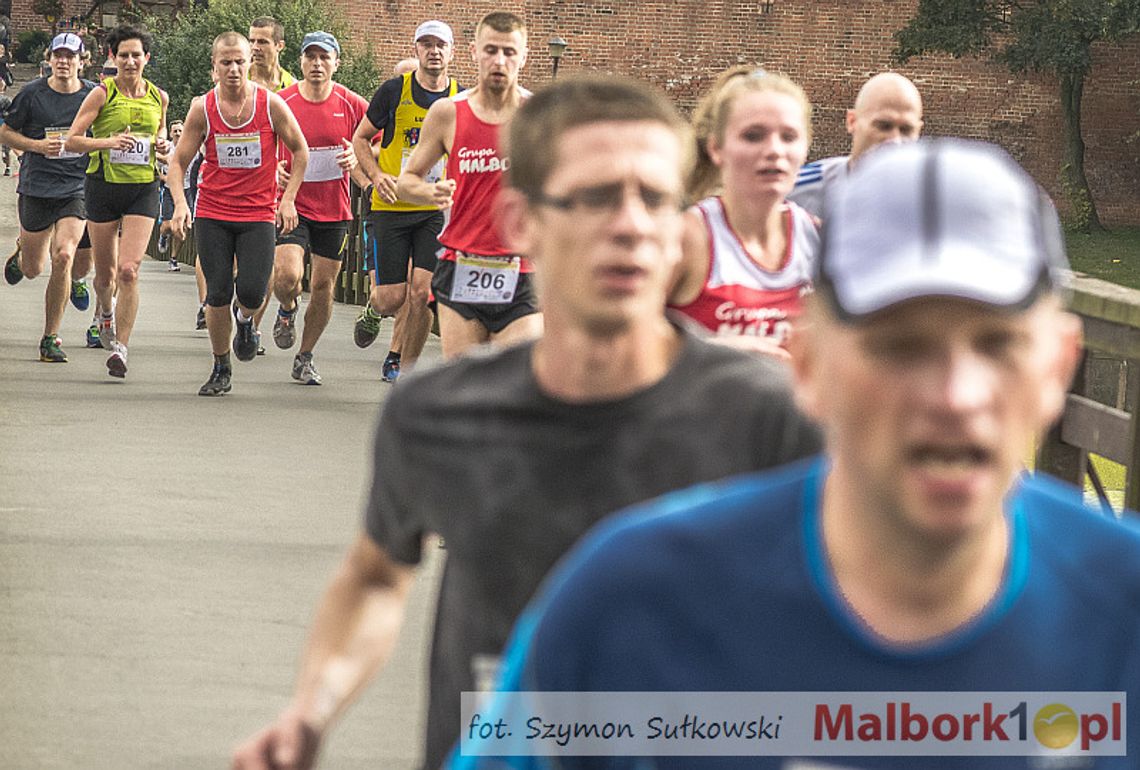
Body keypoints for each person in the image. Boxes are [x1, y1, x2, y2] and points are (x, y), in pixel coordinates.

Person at [461, 140, 1140, 770]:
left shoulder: (1123, 611)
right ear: (808, 364)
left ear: (1058, 365)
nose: (956, 395)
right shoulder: (632, 598)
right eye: (898, 346)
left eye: (996, 345)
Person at [230, 73, 822, 770]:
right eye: (596, 196)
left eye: (656, 200)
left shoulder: (765, 414)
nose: (630, 223)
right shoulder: (440, 413)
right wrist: (313, 709)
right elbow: (375, 579)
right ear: (523, 223)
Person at [167, 31, 307, 397]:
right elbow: (179, 161)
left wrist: (288, 199)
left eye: (239, 62)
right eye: (225, 62)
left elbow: (301, 151)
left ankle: (245, 320)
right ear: (214, 67)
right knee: (216, 292)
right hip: (213, 211)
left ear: (250, 64)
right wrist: (181, 203)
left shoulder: (270, 105)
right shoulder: (203, 107)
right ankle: (220, 366)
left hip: (258, 214)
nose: (233, 69)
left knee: (252, 291)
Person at [396, 11, 541, 360]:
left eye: (509, 52)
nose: (499, 60)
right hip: (463, 264)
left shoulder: (538, 114)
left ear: (523, 56)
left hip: (522, 268)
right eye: (491, 50)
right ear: (474, 52)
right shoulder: (449, 112)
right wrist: (428, 192)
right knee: (467, 386)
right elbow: (406, 182)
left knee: (512, 381)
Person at [668, 67, 818, 359]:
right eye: (753, 136)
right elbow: (618, 340)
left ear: (806, 146)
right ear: (716, 148)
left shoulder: (820, 238)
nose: (774, 150)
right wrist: (716, 355)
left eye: (789, 137)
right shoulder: (686, 238)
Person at [350, 19, 461, 382]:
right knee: (392, 298)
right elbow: (361, 139)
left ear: (452, 53)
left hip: (433, 209)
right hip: (392, 206)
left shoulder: (461, 99)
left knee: (424, 292)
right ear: (416, 50)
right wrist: (377, 176)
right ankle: (372, 309)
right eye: (426, 44)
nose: (434, 51)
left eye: (440, 45)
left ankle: (405, 369)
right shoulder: (394, 91)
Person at [65, 22, 168, 379]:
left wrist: (164, 144)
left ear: (146, 58)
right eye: (122, 55)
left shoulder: (159, 96)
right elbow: (73, 140)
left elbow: (160, 134)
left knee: (129, 270)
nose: (129, 61)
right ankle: (105, 313)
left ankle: (121, 349)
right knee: (106, 274)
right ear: (113, 57)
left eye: (135, 55)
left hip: (143, 187)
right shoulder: (102, 94)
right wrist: (107, 143)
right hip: (103, 186)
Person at [269, 31, 368, 386]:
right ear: (300, 62)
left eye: (324, 57)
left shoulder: (352, 103)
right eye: (310, 57)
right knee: (287, 276)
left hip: (334, 208)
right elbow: (263, 144)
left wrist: (357, 154)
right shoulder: (282, 101)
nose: (317, 64)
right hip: (291, 203)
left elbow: (375, 141)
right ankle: (287, 309)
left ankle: (305, 356)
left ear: (336, 63)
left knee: (324, 286)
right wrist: (274, 169)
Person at [0, 32, 96, 362]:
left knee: (65, 255)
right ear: (49, 59)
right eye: (59, 55)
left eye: (71, 56)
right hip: (37, 185)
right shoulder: (31, 94)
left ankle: (50, 338)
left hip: (76, 186)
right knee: (31, 269)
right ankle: (21, 253)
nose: (64, 61)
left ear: (83, 61)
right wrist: (37, 146)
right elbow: (5, 131)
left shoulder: (94, 95)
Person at [788, 71, 923, 217]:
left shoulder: (934, 202)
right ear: (852, 121)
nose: (895, 140)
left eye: (906, 130)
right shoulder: (796, 191)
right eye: (884, 126)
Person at [156, 118, 184, 271]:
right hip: (168, 189)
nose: (178, 134)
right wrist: (164, 177)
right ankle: (163, 236)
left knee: (181, 229)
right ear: (171, 133)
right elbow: (155, 166)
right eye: (175, 131)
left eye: (181, 130)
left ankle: (173, 259)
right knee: (167, 226)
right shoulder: (166, 148)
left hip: (186, 190)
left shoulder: (190, 146)